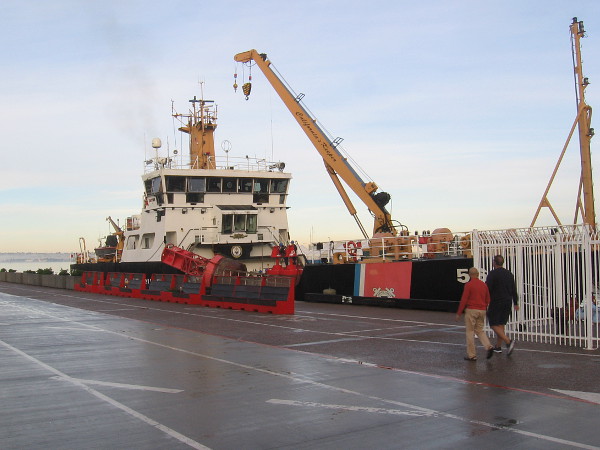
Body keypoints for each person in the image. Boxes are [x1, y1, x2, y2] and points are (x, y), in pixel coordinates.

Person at [456, 267, 495, 361]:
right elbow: (488, 299)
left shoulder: (468, 285)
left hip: (471, 310)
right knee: (479, 330)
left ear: (469, 275)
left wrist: (459, 312)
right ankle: (488, 346)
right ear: (478, 274)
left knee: (470, 332)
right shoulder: (484, 285)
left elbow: (464, 299)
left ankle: (472, 355)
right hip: (482, 310)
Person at [486, 255, 519, 355]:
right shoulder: (509, 274)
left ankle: (508, 341)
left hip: (496, 301)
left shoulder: (492, 274)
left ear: (494, 262)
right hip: (507, 301)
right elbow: (513, 289)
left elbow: (488, 288)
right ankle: (498, 346)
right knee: (501, 324)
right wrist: (515, 302)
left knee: (493, 323)